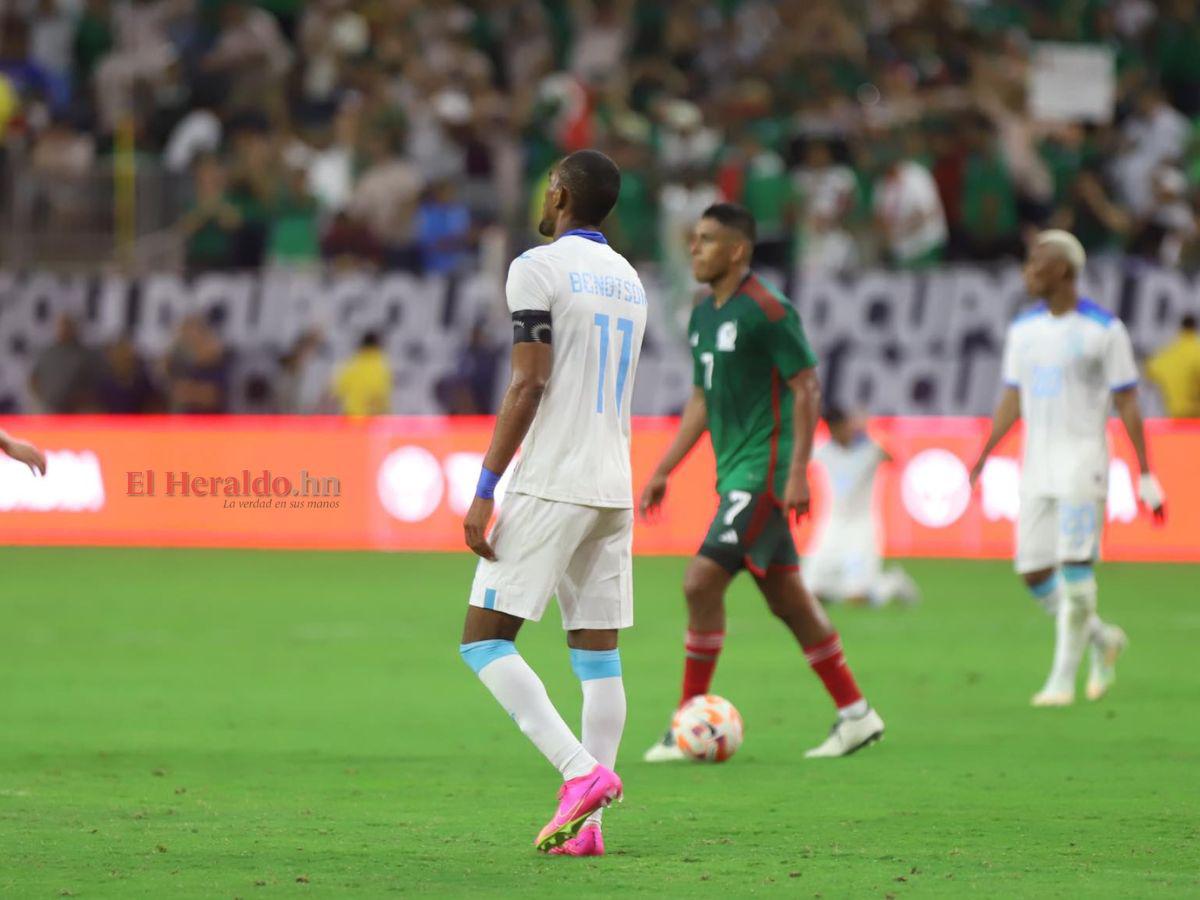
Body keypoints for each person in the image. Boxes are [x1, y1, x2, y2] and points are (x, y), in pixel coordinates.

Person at [640, 203, 884, 762]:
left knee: (701, 582)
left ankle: (685, 722)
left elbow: (807, 388)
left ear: (737, 251)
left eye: (705, 241)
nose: (694, 249)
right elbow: (700, 400)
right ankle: (856, 715)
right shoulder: (703, 316)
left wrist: (797, 471)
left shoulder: (769, 311)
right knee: (789, 601)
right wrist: (663, 469)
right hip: (735, 474)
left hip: (765, 473)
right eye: (694, 239)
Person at [458, 149, 645, 857]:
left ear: (560, 193)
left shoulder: (535, 267)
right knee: (598, 657)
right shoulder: (629, 280)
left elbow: (528, 383)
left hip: (552, 479)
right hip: (611, 484)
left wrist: (485, 487)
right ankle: (588, 832)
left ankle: (580, 775)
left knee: (484, 638)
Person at [969, 230, 1166, 707]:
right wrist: (984, 453)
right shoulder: (1023, 330)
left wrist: (1145, 472)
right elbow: (1012, 397)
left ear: (1064, 271)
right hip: (1035, 466)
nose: (1027, 271)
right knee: (1034, 571)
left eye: (1037, 263)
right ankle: (1103, 639)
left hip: (1083, 464)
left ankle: (1061, 680)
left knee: (1076, 572)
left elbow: (1128, 402)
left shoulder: (1104, 331)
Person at [805, 407, 919, 608]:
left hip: (861, 527)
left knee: (857, 598)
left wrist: (866, 433)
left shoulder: (869, 449)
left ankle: (892, 583)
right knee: (812, 593)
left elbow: (893, 459)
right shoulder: (824, 450)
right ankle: (842, 586)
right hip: (832, 525)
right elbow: (797, 457)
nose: (839, 432)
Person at [1146, 313, 1200, 418]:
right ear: (1195, 328)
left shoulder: (1167, 353)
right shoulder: (1197, 351)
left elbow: (1149, 371)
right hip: (1195, 421)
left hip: (1172, 420)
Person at [331, 332, 391, 416]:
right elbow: (382, 396)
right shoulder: (381, 367)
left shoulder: (351, 364)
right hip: (372, 419)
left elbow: (337, 392)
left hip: (351, 417)